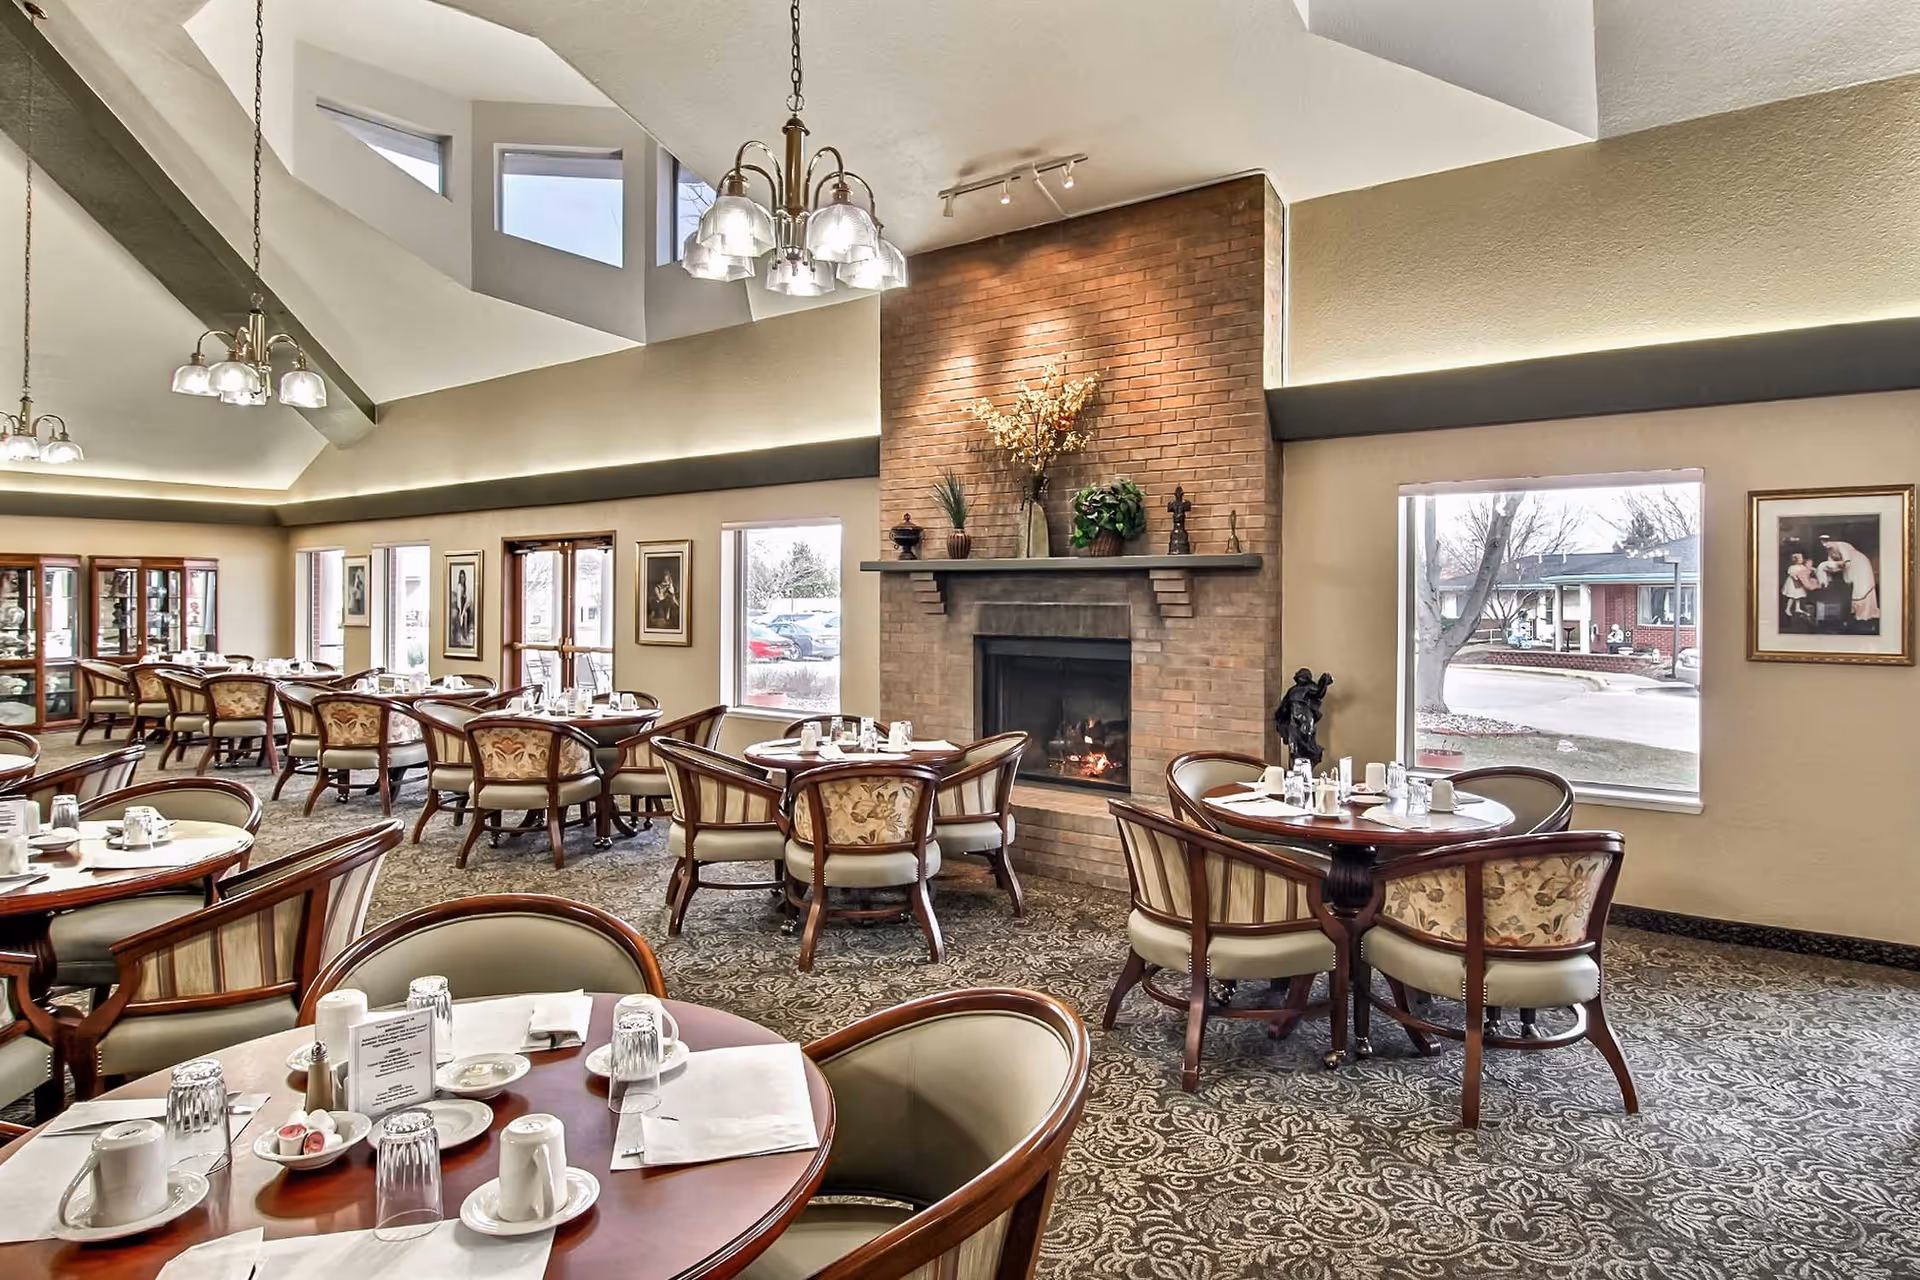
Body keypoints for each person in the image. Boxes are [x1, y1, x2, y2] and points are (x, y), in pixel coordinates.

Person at [1817, 534, 1879, 624]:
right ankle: (1855, 612)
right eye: (1823, 542)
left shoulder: (1841, 546)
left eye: (1826, 541)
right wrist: (1827, 568)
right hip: (1850, 568)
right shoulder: (1829, 550)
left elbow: (1847, 563)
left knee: (1861, 588)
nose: (1825, 544)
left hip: (1859, 564)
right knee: (1851, 588)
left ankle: (1864, 613)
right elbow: (1832, 565)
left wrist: (1833, 565)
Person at [1782, 552, 1819, 623]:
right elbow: (1791, 573)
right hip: (1793, 584)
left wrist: (1812, 569)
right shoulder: (1792, 567)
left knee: (1798, 596)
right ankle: (1787, 608)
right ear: (1795, 560)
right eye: (1800, 558)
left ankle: (1797, 608)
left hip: (1799, 583)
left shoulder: (1802, 566)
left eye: (1802, 558)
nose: (1802, 560)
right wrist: (1795, 577)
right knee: (1792, 597)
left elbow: (1807, 570)